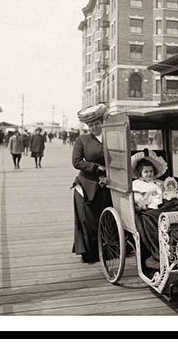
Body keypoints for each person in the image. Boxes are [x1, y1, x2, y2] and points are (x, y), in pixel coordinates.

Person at [131, 149, 178, 278]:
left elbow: (166, 193)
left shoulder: (159, 183)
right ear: (140, 173)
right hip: (148, 208)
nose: (149, 174)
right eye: (146, 172)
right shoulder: (136, 185)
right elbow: (137, 200)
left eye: (151, 171)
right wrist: (141, 204)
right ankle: (163, 253)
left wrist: (173, 196)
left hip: (161, 204)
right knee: (153, 218)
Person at [71, 103, 112, 264]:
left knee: (106, 216)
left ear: (102, 122)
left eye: (96, 124)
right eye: (91, 125)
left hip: (108, 183)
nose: (94, 127)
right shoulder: (82, 140)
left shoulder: (112, 136)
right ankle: (89, 253)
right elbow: (76, 162)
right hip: (87, 185)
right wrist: (96, 167)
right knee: (88, 220)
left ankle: (108, 250)